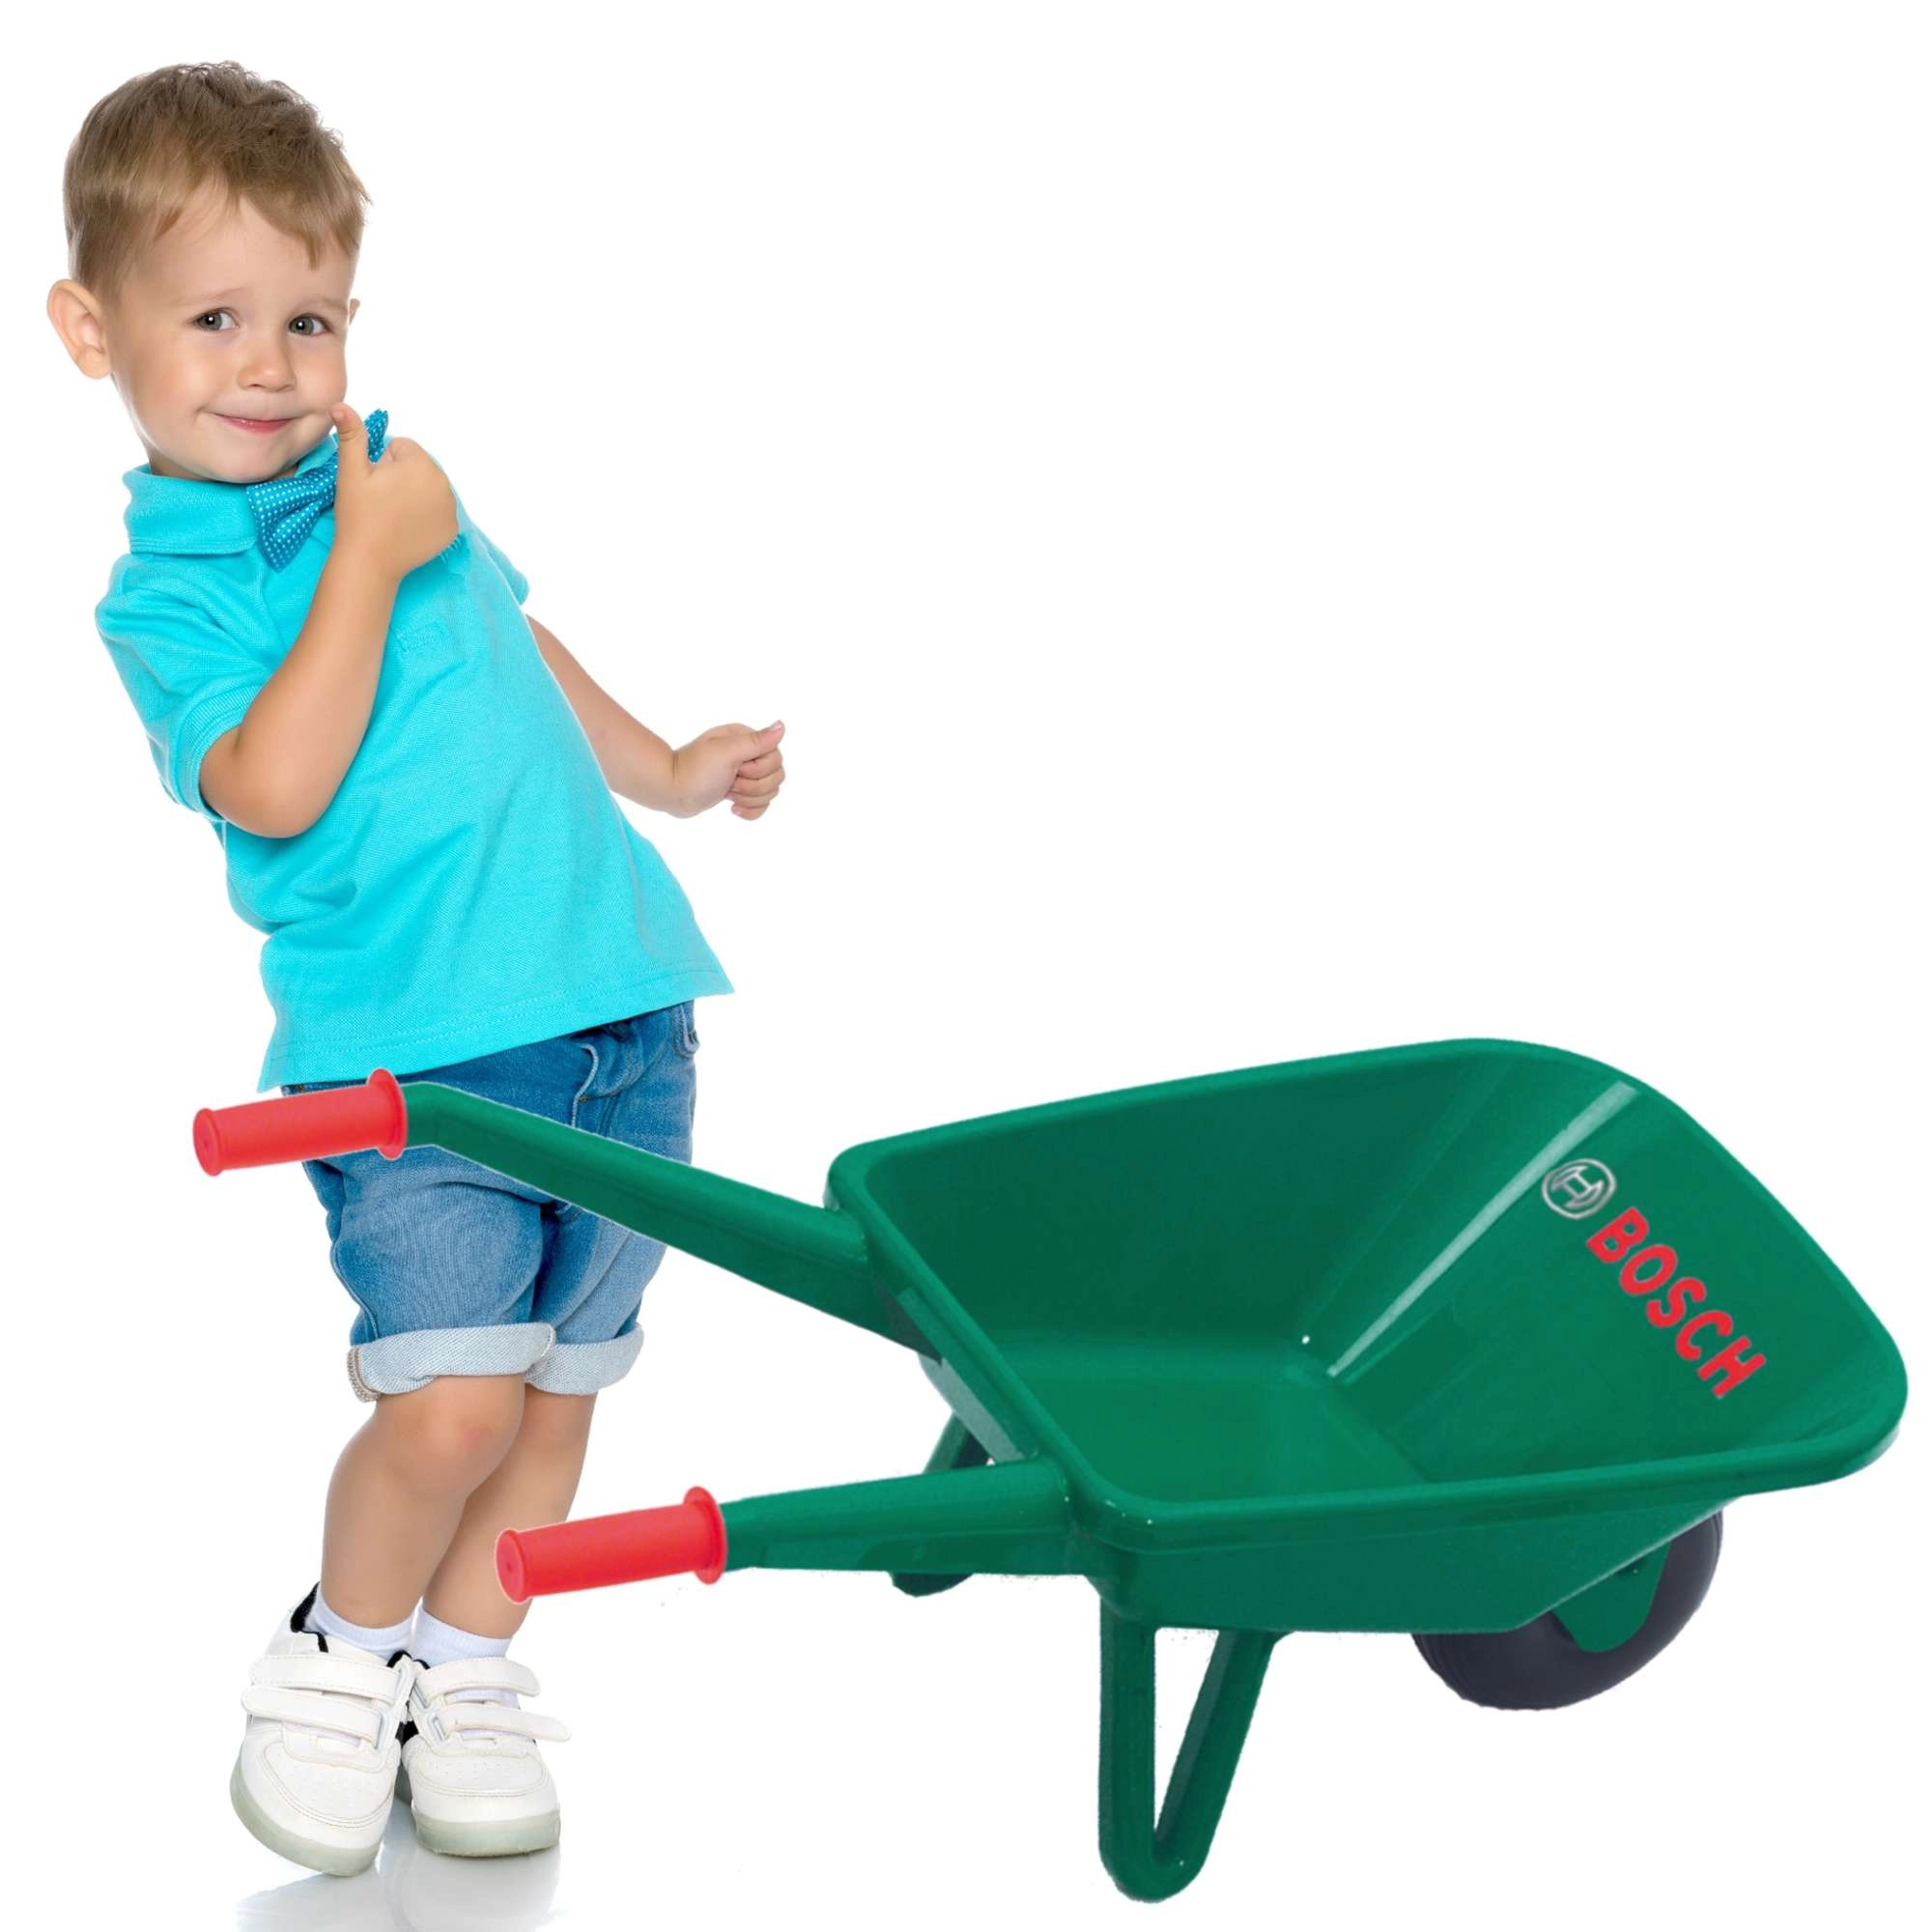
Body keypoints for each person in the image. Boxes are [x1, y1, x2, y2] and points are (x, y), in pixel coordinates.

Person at [48, 59, 786, 1875]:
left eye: (309, 319)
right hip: (418, 1065)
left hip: (623, 1016)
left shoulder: (390, 485)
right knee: (448, 1400)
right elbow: (275, 786)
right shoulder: (170, 597)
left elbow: (512, 641)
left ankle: (461, 1672)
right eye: (214, 318)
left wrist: (667, 771)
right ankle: (339, 1653)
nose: (270, 365)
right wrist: (370, 554)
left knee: (554, 1410)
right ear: (93, 331)